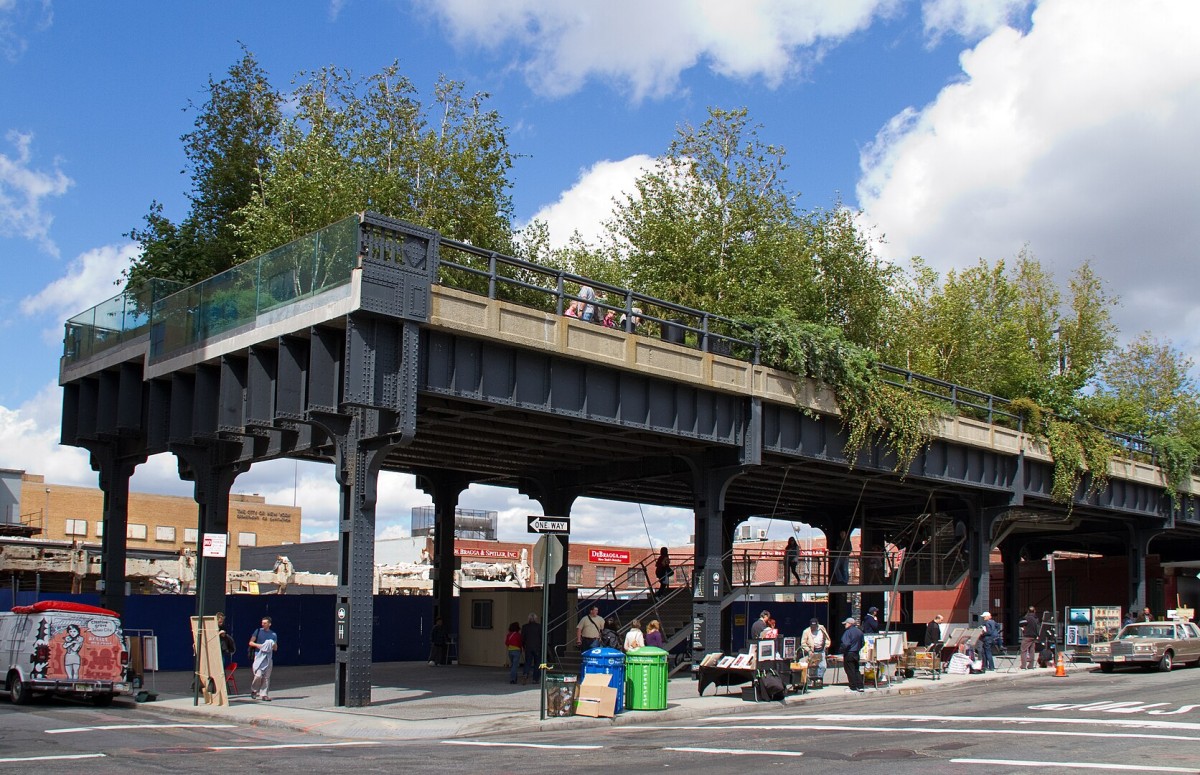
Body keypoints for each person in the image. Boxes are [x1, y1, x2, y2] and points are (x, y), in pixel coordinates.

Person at [248, 616, 277, 701]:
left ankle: (264, 694)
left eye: (265, 623)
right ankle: (254, 690)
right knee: (258, 675)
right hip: (259, 655)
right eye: (262, 623)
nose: (263, 624)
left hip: (268, 656)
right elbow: (251, 642)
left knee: (267, 677)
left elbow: (275, 648)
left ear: (269, 624)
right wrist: (259, 646)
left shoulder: (273, 634)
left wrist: (272, 644)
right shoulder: (258, 631)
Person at [800, 618, 831, 687]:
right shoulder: (806, 631)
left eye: (815, 626)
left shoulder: (822, 628)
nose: (813, 627)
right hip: (813, 651)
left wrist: (826, 645)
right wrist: (808, 650)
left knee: (823, 666)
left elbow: (827, 638)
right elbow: (803, 643)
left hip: (821, 650)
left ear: (817, 624)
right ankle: (813, 681)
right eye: (812, 626)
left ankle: (819, 678)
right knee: (813, 667)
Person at [840, 617, 865, 693]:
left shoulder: (848, 632)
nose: (845, 625)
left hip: (849, 653)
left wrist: (842, 650)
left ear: (850, 624)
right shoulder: (859, 632)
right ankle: (860, 686)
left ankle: (853, 687)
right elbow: (863, 643)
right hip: (856, 653)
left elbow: (846, 644)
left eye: (846, 623)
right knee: (856, 670)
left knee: (850, 671)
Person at [521, 613, 542, 683]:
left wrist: (523, 646)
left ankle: (525, 674)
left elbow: (522, 638)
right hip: (537, 647)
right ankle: (535, 679)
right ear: (535, 619)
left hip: (528, 647)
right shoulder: (539, 626)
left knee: (527, 662)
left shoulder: (524, 627)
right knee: (537, 663)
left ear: (529, 619)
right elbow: (542, 637)